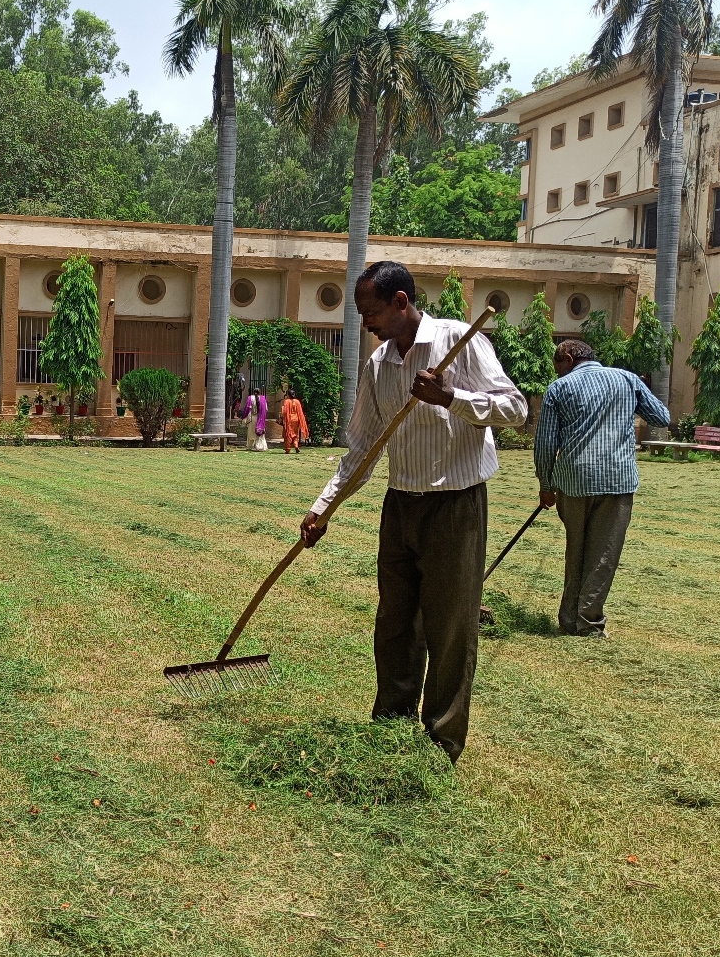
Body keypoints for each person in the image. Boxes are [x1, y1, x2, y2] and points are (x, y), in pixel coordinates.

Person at [299, 262, 526, 762]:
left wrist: (452, 398)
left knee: (450, 624)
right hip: (401, 504)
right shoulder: (379, 366)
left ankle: (441, 739)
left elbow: (515, 409)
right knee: (396, 621)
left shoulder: (457, 341)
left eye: (372, 311)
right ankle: (392, 725)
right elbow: (362, 447)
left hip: (455, 504)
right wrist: (323, 508)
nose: (366, 323)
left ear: (401, 301)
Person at [534, 339, 671, 637]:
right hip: (616, 481)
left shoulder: (559, 388)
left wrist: (546, 485)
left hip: (573, 481)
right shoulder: (626, 379)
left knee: (577, 552)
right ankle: (589, 623)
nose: (558, 373)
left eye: (558, 366)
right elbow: (662, 417)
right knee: (603, 555)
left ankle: (569, 620)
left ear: (567, 359)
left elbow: (545, 444)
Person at [280, 388, 310, 453]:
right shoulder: (297, 401)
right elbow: (300, 412)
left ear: (288, 395)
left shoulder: (287, 401)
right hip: (296, 419)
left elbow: (285, 412)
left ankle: (288, 449)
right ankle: (296, 446)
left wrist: (282, 417)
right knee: (295, 434)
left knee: (288, 433)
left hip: (289, 419)